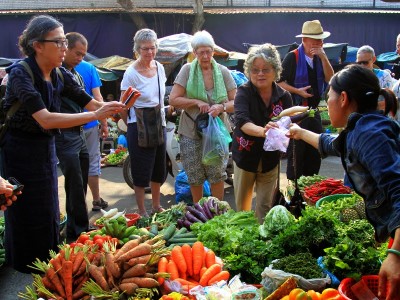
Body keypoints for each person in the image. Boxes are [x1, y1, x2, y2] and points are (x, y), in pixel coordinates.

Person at [1, 14, 125, 273]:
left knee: (48, 205)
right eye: (58, 43)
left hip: (45, 148)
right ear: (37, 45)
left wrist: (115, 108)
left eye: (64, 43)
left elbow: (90, 102)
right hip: (19, 150)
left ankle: (46, 257)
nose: (64, 49)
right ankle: (25, 264)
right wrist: (95, 115)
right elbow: (45, 119)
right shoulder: (21, 75)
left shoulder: (60, 74)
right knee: (25, 207)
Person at [286, 64, 400, 300]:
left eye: (329, 97)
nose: (327, 103)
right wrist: (298, 132)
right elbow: (330, 143)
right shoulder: (360, 128)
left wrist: (395, 254)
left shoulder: (370, 135)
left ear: (344, 98)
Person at [169, 30, 237, 203]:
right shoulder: (186, 70)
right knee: (194, 173)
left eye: (208, 51)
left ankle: (217, 212)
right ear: (195, 53)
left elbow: (236, 102)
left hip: (217, 131)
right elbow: (174, 99)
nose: (205, 56)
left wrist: (221, 107)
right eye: (201, 52)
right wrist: (196, 102)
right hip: (191, 130)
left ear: (213, 52)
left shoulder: (223, 72)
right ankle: (200, 210)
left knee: (217, 173)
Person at [232, 44, 292, 223]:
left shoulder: (284, 96)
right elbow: (242, 122)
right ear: (249, 71)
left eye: (266, 69)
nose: (260, 74)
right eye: (255, 70)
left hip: (270, 159)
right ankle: (242, 242)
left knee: (265, 207)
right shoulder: (243, 93)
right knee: (242, 210)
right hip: (246, 157)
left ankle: (261, 241)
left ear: (275, 71)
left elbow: (289, 122)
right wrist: (264, 131)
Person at [277, 20, 334, 180]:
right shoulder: (292, 57)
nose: (319, 43)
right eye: (315, 40)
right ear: (305, 40)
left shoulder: (320, 57)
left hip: (313, 111)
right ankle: (295, 188)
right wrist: (297, 91)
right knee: (297, 152)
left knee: (315, 149)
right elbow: (279, 82)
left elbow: (331, 79)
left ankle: (311, 182)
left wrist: (323, 57)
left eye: (321, 40)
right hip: (296, 110)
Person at [120, 28, 167, 217]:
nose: (149, 52)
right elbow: (123, 106)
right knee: (140, 171)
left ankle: (156, 205)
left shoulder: (160, 68)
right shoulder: (131, 73)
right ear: (137, 49)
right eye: (145, 48)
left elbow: (161, 99)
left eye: (152, 48)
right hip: (138, 127)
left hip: (158, 124)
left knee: (158, 168)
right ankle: (141, 211)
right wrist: (131, 125)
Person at [55, 32, 91, 240]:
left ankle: (78, 228)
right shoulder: (57, 74)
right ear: (65, 48)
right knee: (74, 184)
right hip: (64, 135)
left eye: (83, 55)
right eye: (77, 53)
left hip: (79, 132)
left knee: (81, 183)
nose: (80, 58)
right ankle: (76, 234)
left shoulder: (75, 73)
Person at [75, 58, 109, 211]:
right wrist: (104, 123)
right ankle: (96, 199)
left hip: (66, 126)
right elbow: (98, 98)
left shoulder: (56, 67)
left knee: (73, 166)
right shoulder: (89, 68)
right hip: (89, 124)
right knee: (92, 161)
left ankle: (78, 206)